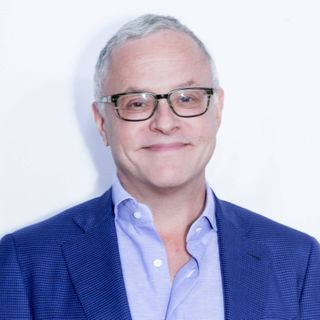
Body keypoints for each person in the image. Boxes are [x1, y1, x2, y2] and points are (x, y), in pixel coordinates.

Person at [0, 14, 319, 320]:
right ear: (101, 122)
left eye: (186, 98)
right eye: (137, 102)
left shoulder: (298, 261)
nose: (165, 122)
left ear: (217, 111)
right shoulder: (26, 262)